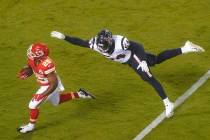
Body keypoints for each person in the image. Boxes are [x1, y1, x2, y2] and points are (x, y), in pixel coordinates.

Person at [50, 29, 205, 118]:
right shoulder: (96, 43)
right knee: (156, 59)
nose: (102, 49)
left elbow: (138, 46)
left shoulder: (120, 42)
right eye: (101, 47)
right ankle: (185, 48)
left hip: (133, 58)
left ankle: (167, 103)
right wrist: (64, 37)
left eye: (105, 47)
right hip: (126, 60)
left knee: (148, 77)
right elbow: (80, 42)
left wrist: (142, 61)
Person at [17, 42, 95, 133]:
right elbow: (32, 67)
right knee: (56, 101)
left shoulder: (47, 65)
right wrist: (27, 72)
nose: (30, 53)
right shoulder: (33, 59)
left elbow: (53, 84)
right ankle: (80, 94)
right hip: (46, 83)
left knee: (32, 105)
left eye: (33, 52)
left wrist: (42, 95)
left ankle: (30, 126)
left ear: (40, 56)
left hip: (49, 85)